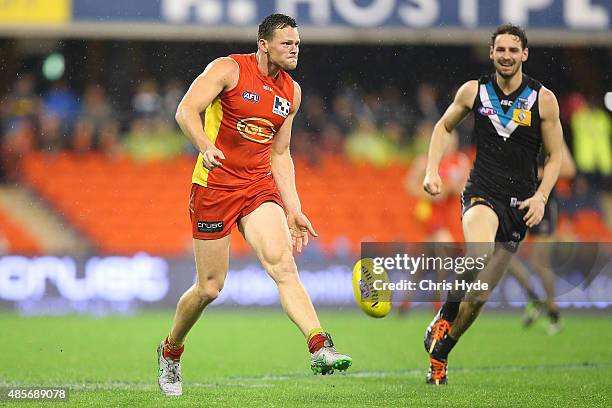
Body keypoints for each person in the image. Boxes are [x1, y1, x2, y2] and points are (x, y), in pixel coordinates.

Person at [157, 14, 352, 396]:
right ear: (263, 44)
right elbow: (185, 110)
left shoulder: (291, 93)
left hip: (257, 186)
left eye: (297, 42)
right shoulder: (228, 69)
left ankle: (319, 346)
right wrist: (205, 146)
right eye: (286, 43)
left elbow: (281, 153)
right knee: (209, 289)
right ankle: (170, 351)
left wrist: (293, 207)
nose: (294, 48)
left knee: (283, 264)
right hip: (213, 187)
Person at [422, 24, 563, 385]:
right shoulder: (474, 91)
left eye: (513, 50)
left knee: (480, 297)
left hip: (521, 206)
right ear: (491, 53)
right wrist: (432, 170)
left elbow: (555, 155)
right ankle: (444, 313)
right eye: (500, 49)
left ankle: (441, 352)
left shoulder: (542, 99)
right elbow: (443, 127)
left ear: (524, 54)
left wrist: (542, 196)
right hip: (481, 192)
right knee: (478, 253)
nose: (506, 56)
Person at [507, 139, 575, 335]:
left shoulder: (550, 134)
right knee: (503, 254)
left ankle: (554, 314)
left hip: (543, 204)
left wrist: (537, 173)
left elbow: (569, 169)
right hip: (519, 202)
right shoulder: (518, 128)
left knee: (540, 263)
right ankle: (534, 298)